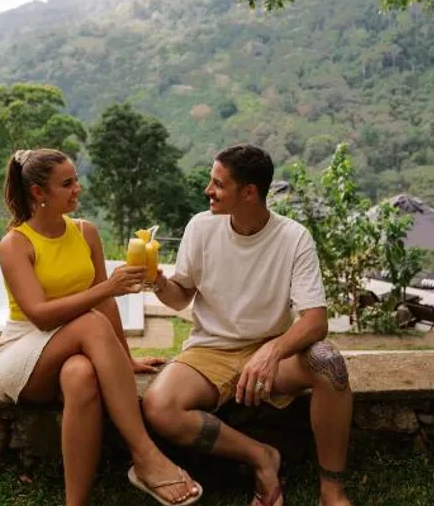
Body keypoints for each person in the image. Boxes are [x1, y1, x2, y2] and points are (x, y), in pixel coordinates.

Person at [142, 144, 354, 506]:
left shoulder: (293, 237)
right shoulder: (201, 227)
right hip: (210, 350)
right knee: (160, 407)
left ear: (249, 192)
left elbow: (315, 320)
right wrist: (159, 282)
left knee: (329, 364)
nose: (208, 190)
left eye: (218, 184)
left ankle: (332, 491)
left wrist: (272, 351)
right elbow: (181, 296)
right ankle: (261, 456)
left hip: (273, 351)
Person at [0, 148, 202, 506]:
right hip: (25, 352)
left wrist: (124, 358)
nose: (77, 189)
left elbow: (104, 303)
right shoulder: (15, 244)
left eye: (76, 181)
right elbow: (40, 315)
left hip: (71, 346)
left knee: (81, 376)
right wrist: (107, 288)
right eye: (67, 184)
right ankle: (145, 455)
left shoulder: (85, 231)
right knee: (90, 323)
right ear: (39, 192)